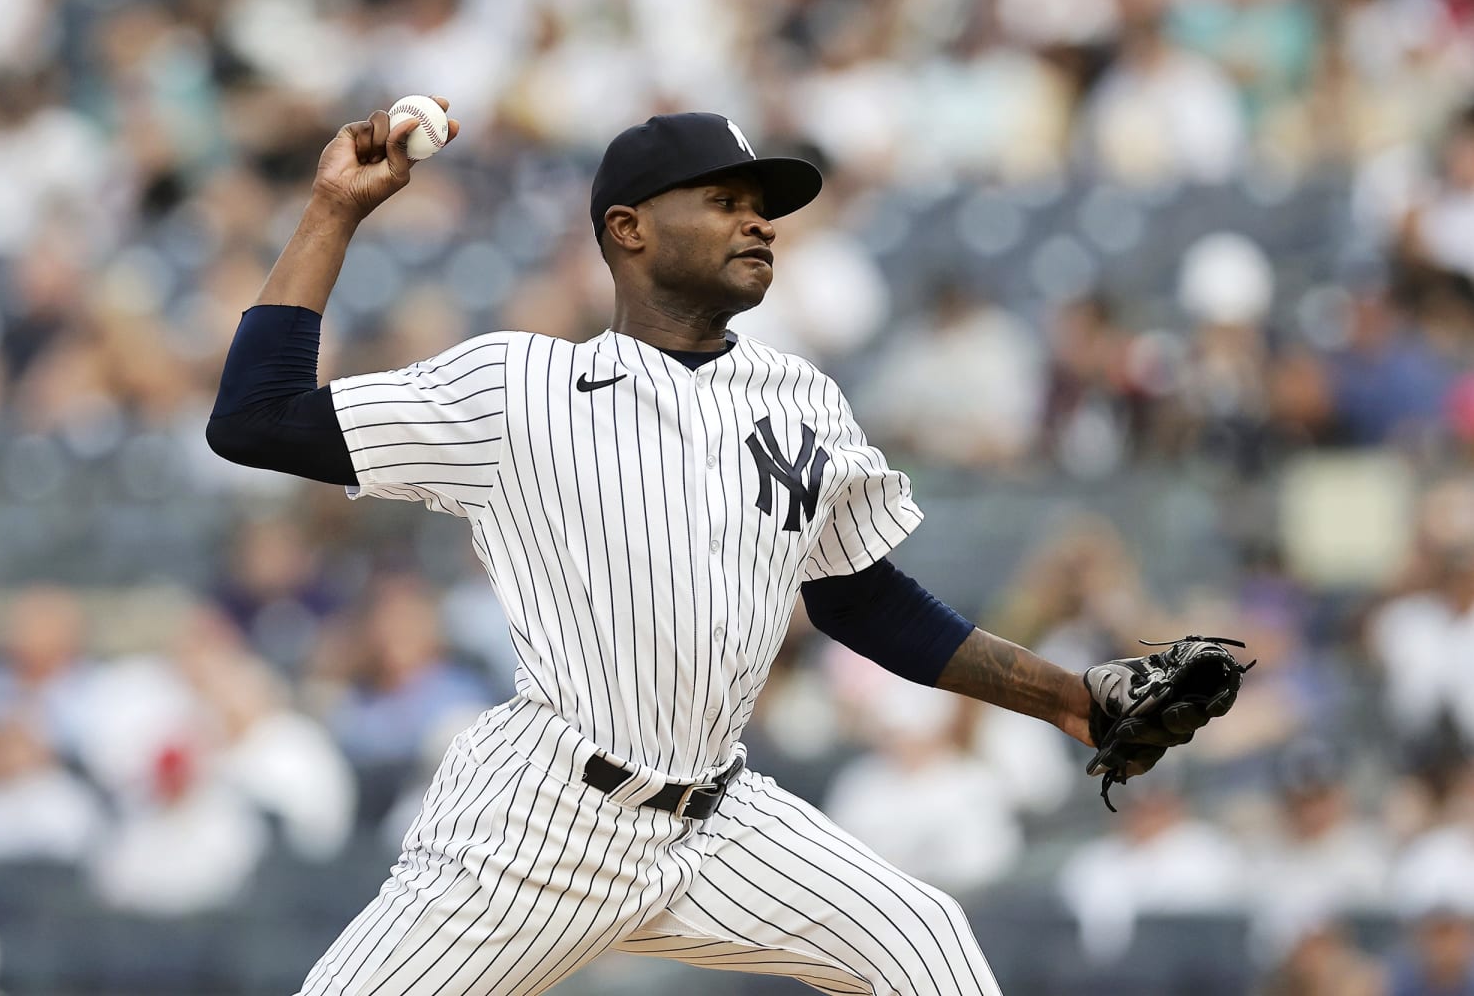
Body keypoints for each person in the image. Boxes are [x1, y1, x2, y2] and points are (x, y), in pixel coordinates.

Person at [207, 103, 1194, 996]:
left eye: (763, 206)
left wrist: (1069, 700)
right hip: (541, 826)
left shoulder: (802, 397)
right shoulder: (519, 389)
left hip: (716, 818)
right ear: (627, 230)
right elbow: (256, 418)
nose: (759, 220)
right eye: (725, 200)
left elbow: (861, 599)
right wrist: (334, 211)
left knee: (922, 940)